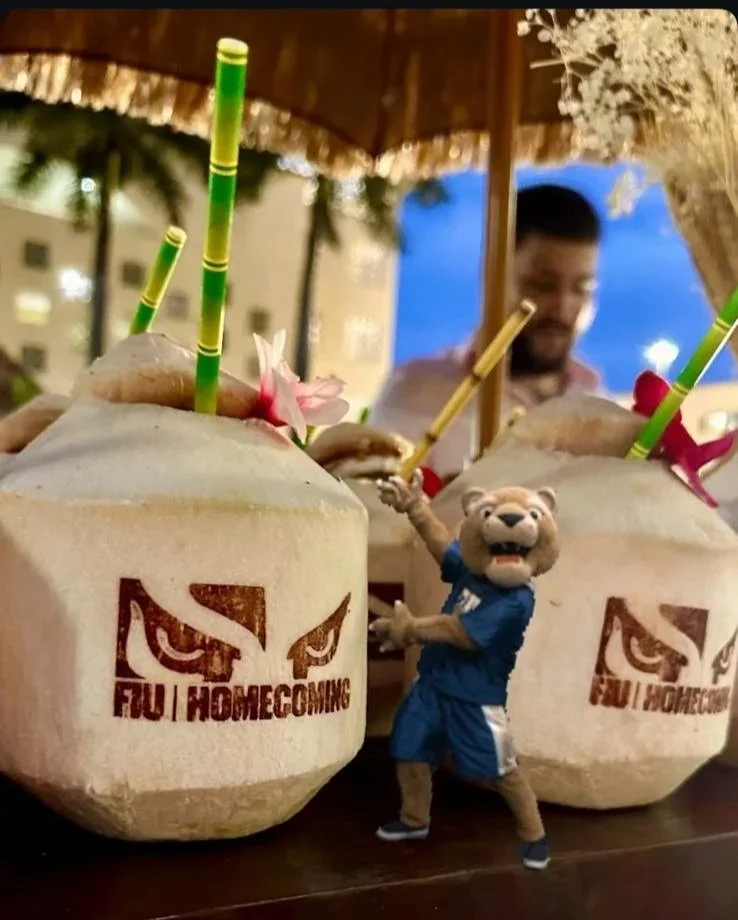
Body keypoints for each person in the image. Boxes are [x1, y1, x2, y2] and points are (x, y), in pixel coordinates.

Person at [368, 184, 604, 482]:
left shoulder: (591, 394)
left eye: (582, 288)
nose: (562, 308)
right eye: (542, 284)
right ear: (492, 275)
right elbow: (379, 516)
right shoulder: (416, 393)